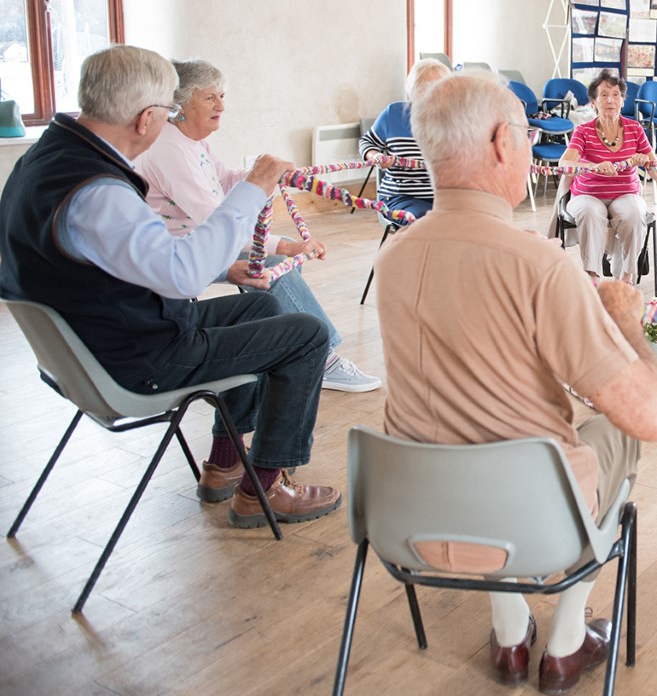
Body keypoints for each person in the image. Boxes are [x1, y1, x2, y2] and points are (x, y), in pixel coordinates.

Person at [374, 71, 657, 695]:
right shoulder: (540, 264)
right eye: (525, 132)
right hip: (534, 521)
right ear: (502, 146)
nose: (533, 143)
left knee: (470, 433)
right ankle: (566, 643)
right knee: (624, 435)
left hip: (408, 515)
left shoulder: (393, 256)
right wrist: (630, 329)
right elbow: (652, 416)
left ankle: (510, 633)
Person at [0, 45, 342, 527]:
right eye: (170, 114)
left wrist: (225, 271)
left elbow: (142, 261)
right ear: (146, 118)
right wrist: (255, 189)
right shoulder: (99, 193)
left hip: (93, 340)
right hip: (136, 358)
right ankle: (264, 487)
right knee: (307, 334)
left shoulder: (46, 160)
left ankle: (226, 463)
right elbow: (179, 274)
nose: (169, 124)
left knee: (262, 307)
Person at [134, 59, 380, 393]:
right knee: (278, 265)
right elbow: (220, 224)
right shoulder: (170, 148)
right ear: (181, 104)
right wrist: (284, 245)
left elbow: (223, 180)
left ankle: (291, 351)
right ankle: (322, 358)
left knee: (281, 271)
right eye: (210, 98)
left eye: (222, 96)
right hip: (183, 257)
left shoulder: (190, 142)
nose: (221, 105)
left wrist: (262, 174)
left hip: (199, 246)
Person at [559, 69, 657, 284]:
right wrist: (593, 166)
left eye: (616, 94)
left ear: (623, 101)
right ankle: (593, 278)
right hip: (588, 194)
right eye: (604, 95)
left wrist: (650, 165)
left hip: (625, 193)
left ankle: (626, 278)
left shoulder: (635, 129)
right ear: (594, 102)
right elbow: (564, 163)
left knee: (635, 213)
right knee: (589, 212)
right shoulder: (583, 131)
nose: (610, 100)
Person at [357, 57, 451, 219]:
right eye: (428, 89)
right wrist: (376, 156)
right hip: (401, 196)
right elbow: (367, 142)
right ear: (414, 90)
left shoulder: (455, 118)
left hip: (443, 196)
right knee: (427, 219)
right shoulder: (393, 114)